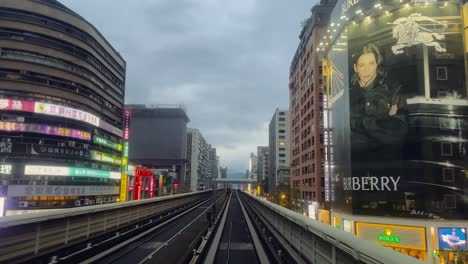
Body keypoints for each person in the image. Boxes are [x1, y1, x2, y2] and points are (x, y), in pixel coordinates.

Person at [349, 43, 407, 160]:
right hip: (354, 162)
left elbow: (398, 133)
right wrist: (382, 120)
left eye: (371, 64)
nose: (367, 70)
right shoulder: (347, 95)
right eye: (361, 65)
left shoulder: (392, 91)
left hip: (385, 161)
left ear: (377, 64)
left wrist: (360, 124)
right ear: (355, 68)